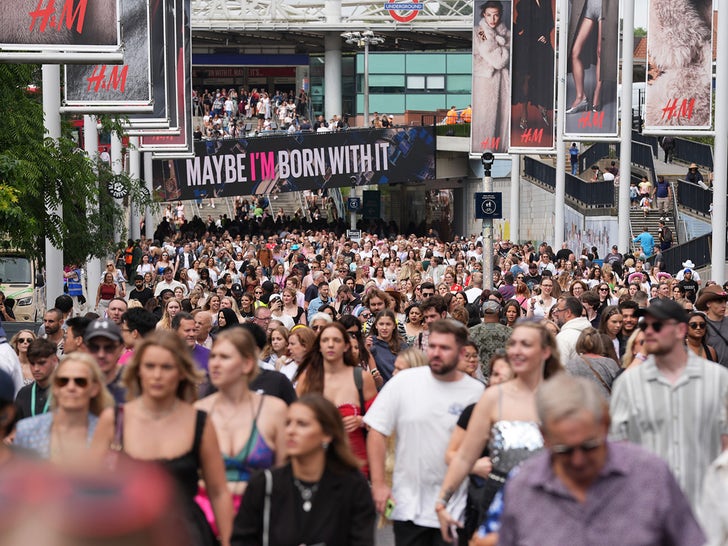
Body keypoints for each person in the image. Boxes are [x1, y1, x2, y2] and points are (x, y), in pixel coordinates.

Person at [494, 374, 705, 546]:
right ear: (545, 437)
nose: (578, 460)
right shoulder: (524, 488)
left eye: (590, 447)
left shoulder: (650, 475)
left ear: (605, 424)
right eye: (564, 450)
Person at [93, 330, 234, 546]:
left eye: (166, 367)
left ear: (181, 372)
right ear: (138, 370)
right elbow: (91, 489)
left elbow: (218, 491)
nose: (157, 375)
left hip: (187, 535)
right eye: (150, 366)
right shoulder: (113, 420)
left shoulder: (200, 422)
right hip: (128, 535)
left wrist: (227, 541)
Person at [436, 321, 561, 542]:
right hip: (498, 502)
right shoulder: (494, 397)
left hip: (549, 503)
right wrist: (442, 502)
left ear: (545, 351)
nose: (516, 350)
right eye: (512, 343)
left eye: (526, 344)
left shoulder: (564, 397)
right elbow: (465, 456)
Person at [365, 319, 484, 545]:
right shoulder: (404, 382)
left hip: (455, 509)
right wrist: (379, 484)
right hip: (408, 506)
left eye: (445, 348)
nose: (436, 353)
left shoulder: (476, 393)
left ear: (460, 352)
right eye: (433, 346)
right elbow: (376, 430)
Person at [609, 298, 728, 510]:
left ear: (680, 330)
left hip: (705, 509)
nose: (648, 332)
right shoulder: (628, 383)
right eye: (644, 326)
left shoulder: (718, 380)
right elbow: (617, 449)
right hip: (648, 508)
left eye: (657, 325)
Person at [232, 394, 376, 546]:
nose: (291, 431)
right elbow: (242, 540)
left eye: (302, 424)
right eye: (287, 423)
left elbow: (362, 540)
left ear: (326, 434)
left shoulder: (353, 485)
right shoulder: (264, 484)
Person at [195, 328, 287, 530]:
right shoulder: (198, 411)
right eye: (214, 356)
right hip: (205, 520)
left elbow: (285, 477)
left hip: (258, 518)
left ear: (247, 363)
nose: (215, 363)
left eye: (225, 357)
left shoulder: (274, 410)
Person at [295, 322, 377, 476]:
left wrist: (361, 420)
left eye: (336, 340)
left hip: (356, 465)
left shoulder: (362, 378)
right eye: (325, 340)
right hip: (316, 465)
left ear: (346, 346)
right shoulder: (307, 379)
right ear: (319, 346)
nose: (330, 345)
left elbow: (380, 421)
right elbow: (294, 420)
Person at [14, 352, 114, 464]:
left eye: (80, 382)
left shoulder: (108, 433)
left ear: (94, 388)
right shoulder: (27, 431)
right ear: (55, 387)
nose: (71, 387)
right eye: (63, 381)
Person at [471, 1, 511, 153]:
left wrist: (499, 46)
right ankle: (483, 150)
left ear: (500, 15)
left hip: (503, 84)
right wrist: (498, 47)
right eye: (489, 15)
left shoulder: (506, 34)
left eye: (496, 15)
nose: (492, 19)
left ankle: (500, 149)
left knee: (501, 121)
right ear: (483, 15)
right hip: (484, 83)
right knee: (485, 120)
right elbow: (499, 60)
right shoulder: (480, 32)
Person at [511, 0, 554, 132]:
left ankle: (542, 105)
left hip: (542, 46)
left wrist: (545, 35)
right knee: (525, 78)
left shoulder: (546, 2)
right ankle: (524, 114)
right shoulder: (522, 3)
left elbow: (550, 22)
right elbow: (521, 25)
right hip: (527, 45)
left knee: (543, 75)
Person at [564, 327, 620, 398]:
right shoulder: (610, 363)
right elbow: (619, 390)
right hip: (606, 406)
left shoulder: (571, 365)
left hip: (581, 406)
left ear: (579, 342)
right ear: (599, 343)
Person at [14, 338, 58, 420]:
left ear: (54, 360)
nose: (36, 368)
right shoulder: (23, 393)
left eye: (41, 363)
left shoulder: (65, 391)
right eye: (32, 363)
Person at [469, 301, 512, 379]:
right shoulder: (509, 332)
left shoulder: (471, 332)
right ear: (499, 311)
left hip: (478, 378)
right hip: (502, 377)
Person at [369, 309, 408, 383]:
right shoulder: (370, 343)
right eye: (381, 324)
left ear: (394, 326)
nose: (384, 328)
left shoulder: (402, 346)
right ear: (376, 325)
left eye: (388, 324)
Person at [696, 285, 728, 367]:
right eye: (719, 301)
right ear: (708, 304)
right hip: (713, 375)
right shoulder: (700, 326)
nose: (724, 305)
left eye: (725, 301)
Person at [554, 296, 591, 363]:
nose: (556, 314)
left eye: (559, 310)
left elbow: (560, 367)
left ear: (568, 313)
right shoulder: (593, 333)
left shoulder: (563, 338)